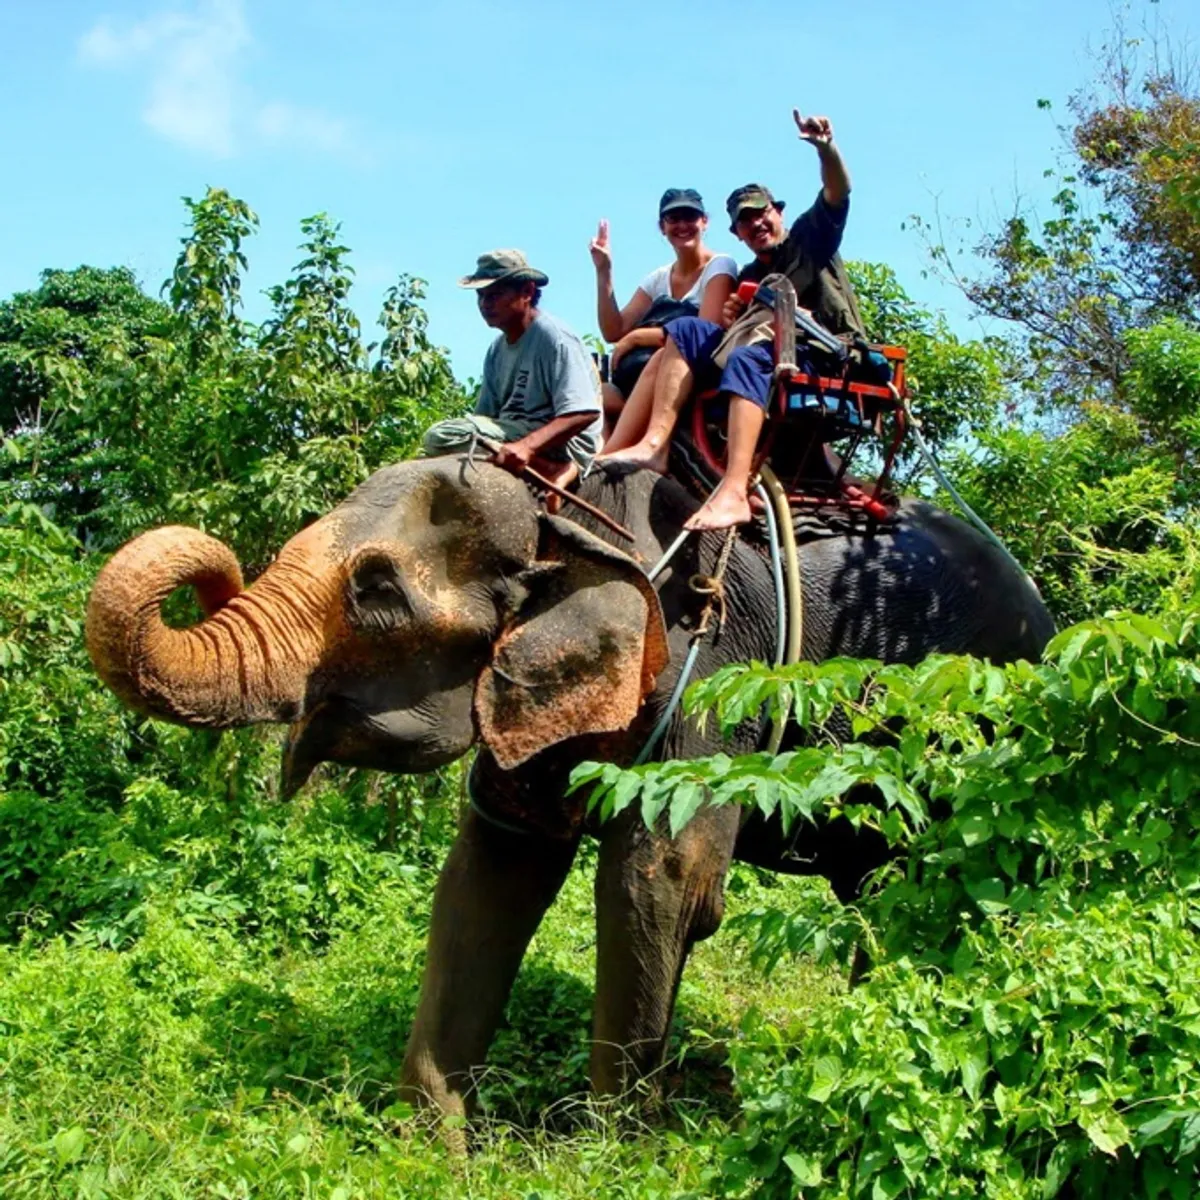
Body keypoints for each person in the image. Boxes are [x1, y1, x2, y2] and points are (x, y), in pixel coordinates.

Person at [598, 110, 866, 531]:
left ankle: (735, 490)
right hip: (765, 354)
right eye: (744, 221)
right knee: (686, 330)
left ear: (778, 212)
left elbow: (838, 192)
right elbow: (721, 330)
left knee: (747, 361)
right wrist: (730, 315)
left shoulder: (808, 242)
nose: (756, 223)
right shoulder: (746, 277)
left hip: (823, 354)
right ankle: (654, 445)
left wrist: (826, 148)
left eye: (761, 213)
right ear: (736, 233)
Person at [423, 249, 603, 485]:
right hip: (511, 431)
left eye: (495, 295)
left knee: (442, 436)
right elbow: (485, 418)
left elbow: (584, 411)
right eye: (481, 296)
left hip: (560, 443)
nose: (485, 304)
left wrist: (526, 447)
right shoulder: (496, 350)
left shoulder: (554, 337)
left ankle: (550, 469)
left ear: (527, 292)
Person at [590, 190, 736, 432]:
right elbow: (613, 330)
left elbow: (705, 332)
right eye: (673, 219)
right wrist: (603, 270)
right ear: (662, 226)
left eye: (690, 217)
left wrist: (636, 338)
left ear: (704, 221)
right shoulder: (658, 278)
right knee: (590, 396)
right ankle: (599, 465)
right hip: (634, 380)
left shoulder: (720, 266)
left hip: (685, 377)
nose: (682, 225)